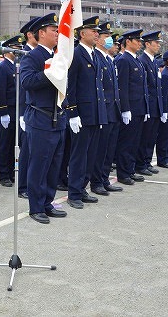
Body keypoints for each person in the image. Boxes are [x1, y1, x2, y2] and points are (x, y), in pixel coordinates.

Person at [20, 13, 67, 224]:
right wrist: (49, 73)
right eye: (53, 30)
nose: (57, 33)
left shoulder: (58, 56)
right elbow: (27, 82)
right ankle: (36, 207)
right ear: (41, 33)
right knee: (39, 165)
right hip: (40, 117)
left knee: (54, 165)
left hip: (58, 118)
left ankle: (48, 202)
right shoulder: (32, 56)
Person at [65, 16, 104, 209]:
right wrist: (72, 112)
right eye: (93, 31)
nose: (97, 34)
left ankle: (83, 188)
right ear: (82, 34)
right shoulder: (76, 54)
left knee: (91, 154)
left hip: (94, 113)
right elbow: (69, 86)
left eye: (97, 31)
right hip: (80, 114)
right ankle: (74, 193)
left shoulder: (95, 54)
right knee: (79, 155)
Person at [91, 22, 123, 193]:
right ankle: (96, 182)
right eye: (106, 37)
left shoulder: (108, 59)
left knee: (109, 149)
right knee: (100, 149)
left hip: (113, 110)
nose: (109, 40)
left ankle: (104, 179)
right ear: (98, 40)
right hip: (103, 110)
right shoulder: (96, 57)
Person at [115, 29, 148, 185]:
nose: (140, 43)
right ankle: (123, 173)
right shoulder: (123, 60)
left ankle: (130, 169)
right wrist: (125, 108)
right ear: (128, 41)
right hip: (130, 108)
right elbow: (122, 87)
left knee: (135, 141)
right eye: (137, 40)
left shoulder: (136, 60)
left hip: (139, 107)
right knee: (126, 142)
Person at [0, 35, 23, 187]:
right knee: (5, 143)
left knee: (14, 143)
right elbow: (0, 92)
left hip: (17, 109)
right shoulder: (2, 67)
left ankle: (12, 171)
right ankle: (4, 174)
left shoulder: (17, 65)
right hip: (8, 110)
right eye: (16, 48)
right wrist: (3, 112)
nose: (18, 51)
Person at [136, 31, 164, 176]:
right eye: (156, 43)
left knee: (151, 137)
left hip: (155, 106)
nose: (158, 45)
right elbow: (145, 86)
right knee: (145, 137)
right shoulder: (143, 60)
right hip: (148, 105)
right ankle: (141, 164)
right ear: (147, 44)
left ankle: (146, 161)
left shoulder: (153, 61)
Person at [18, 17, 40, 198]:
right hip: (28, 110)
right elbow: (20, 88)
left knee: (35, 152)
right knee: (26, 150)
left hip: (37, 110)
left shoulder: (44, 54)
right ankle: (23, 186)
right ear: (30, 35)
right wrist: (20, 114)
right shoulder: (25, 54)